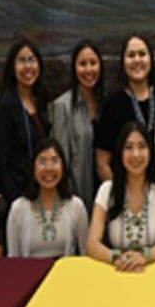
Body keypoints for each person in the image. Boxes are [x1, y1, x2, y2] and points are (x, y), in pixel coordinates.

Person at [87, 122, 155, 272]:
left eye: (142, 147)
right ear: (120, 153)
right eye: (128, 148)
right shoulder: (107, 190)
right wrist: (115, 258)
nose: (136, 154)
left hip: (153, 271)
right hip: (117, 270)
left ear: (150, 151)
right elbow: (92, 243)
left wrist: (144, 257)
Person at [95, 34, 155, 182]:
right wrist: (120, 196)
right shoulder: (111, 105)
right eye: (131, 55)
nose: (137, 60)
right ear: (123, 61)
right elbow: (102, 163)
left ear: (150, 59)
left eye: (142, 54)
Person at [6, 138, 88, 258]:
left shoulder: (76, 206)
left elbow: (85, 254)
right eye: (42, 162)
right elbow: (13, 258)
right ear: (33, 168)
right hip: (29, 275)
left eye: (55, 161)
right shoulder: (18, 208)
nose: (49, 168)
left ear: (63, 167)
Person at [0, 39, 50, 204]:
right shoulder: (4, 105)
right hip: (16, 193)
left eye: (31, 60)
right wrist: (14, 199)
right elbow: (0, 161)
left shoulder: (40, 98)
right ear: (12, 67)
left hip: (42, 187)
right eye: (21, 61)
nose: (28, 67)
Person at [51, 39, 104, 213]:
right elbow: (61, 160)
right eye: (82, 64)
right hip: (77, 198)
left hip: (106, 195)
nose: (89, 70)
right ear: (74, 68)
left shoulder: (108, 103)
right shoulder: (62, 106)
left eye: (93, 63)